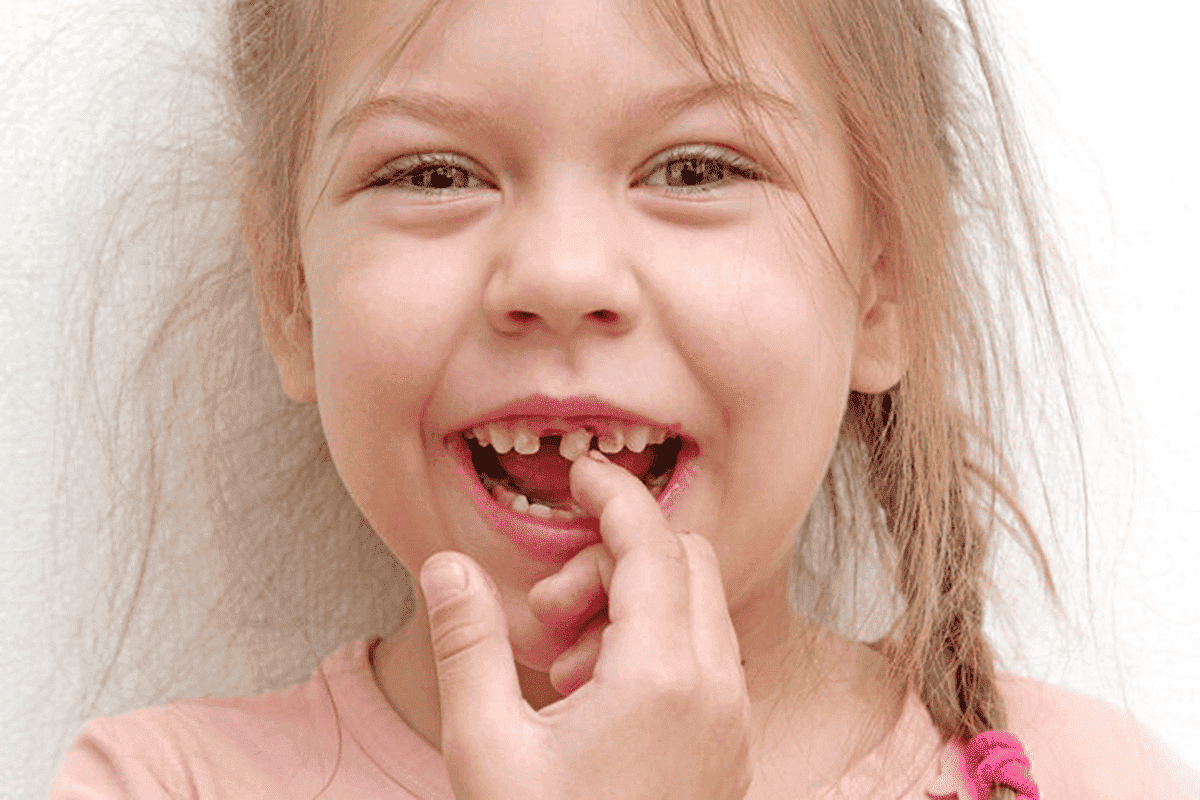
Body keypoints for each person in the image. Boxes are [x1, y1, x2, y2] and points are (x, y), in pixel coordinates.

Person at [42, 0, 1199, 797]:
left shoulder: (1091, 778)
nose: (560, 273)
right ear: (292, 295)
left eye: (697, 168)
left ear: (881, 284)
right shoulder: (157, 785)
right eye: (432, 173)